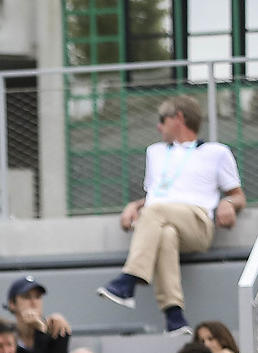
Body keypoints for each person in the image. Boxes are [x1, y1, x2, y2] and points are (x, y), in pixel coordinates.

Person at [100, 95, 246, 333]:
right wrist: (134, 206)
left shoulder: (216, 152)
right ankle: (174, 315)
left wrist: (228, 202)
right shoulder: (155, 152)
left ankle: (129, 279)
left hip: (197, 222)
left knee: (155, 212)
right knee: (166, 234)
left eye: (162, 120)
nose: (158, 127)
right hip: (163, 219)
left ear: (179, 118)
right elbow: (157, 195)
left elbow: (238, 195)